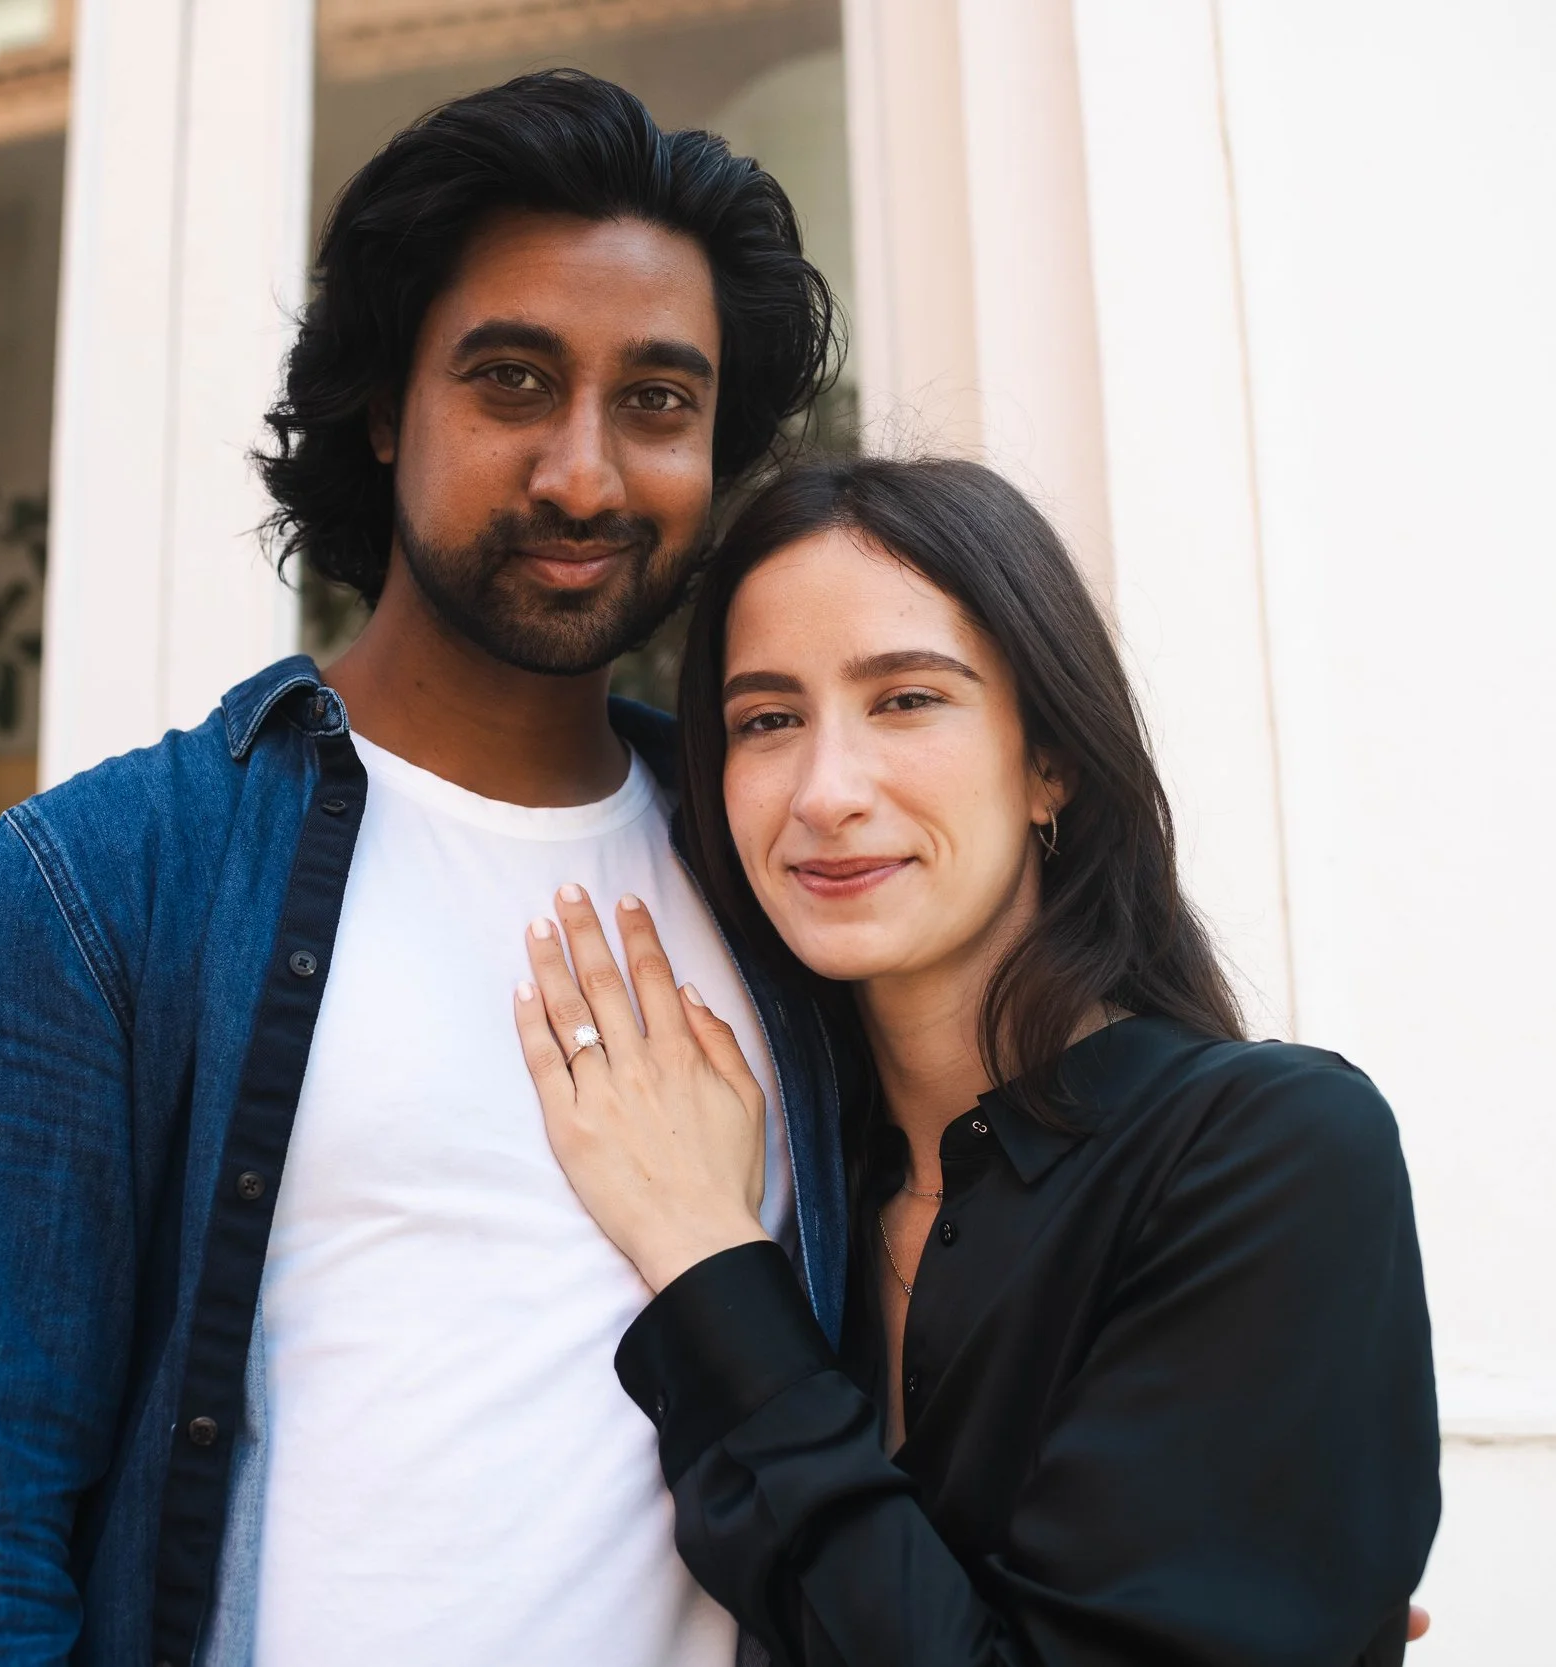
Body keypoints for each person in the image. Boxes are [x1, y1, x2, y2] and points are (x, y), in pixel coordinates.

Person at [0, 71, 847, 1666]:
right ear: (384, 405)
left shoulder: (791, 878)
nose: (584, 473)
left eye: (658, 401)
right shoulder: (98, 890)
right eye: (513, 380)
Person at [512, 457, 1441, 1665]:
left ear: (1047, 756)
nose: (825, 791)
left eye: (906, 699)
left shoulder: (1272, 1151)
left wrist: (703, 1254)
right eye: (767, 719)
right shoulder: (803, 1178)